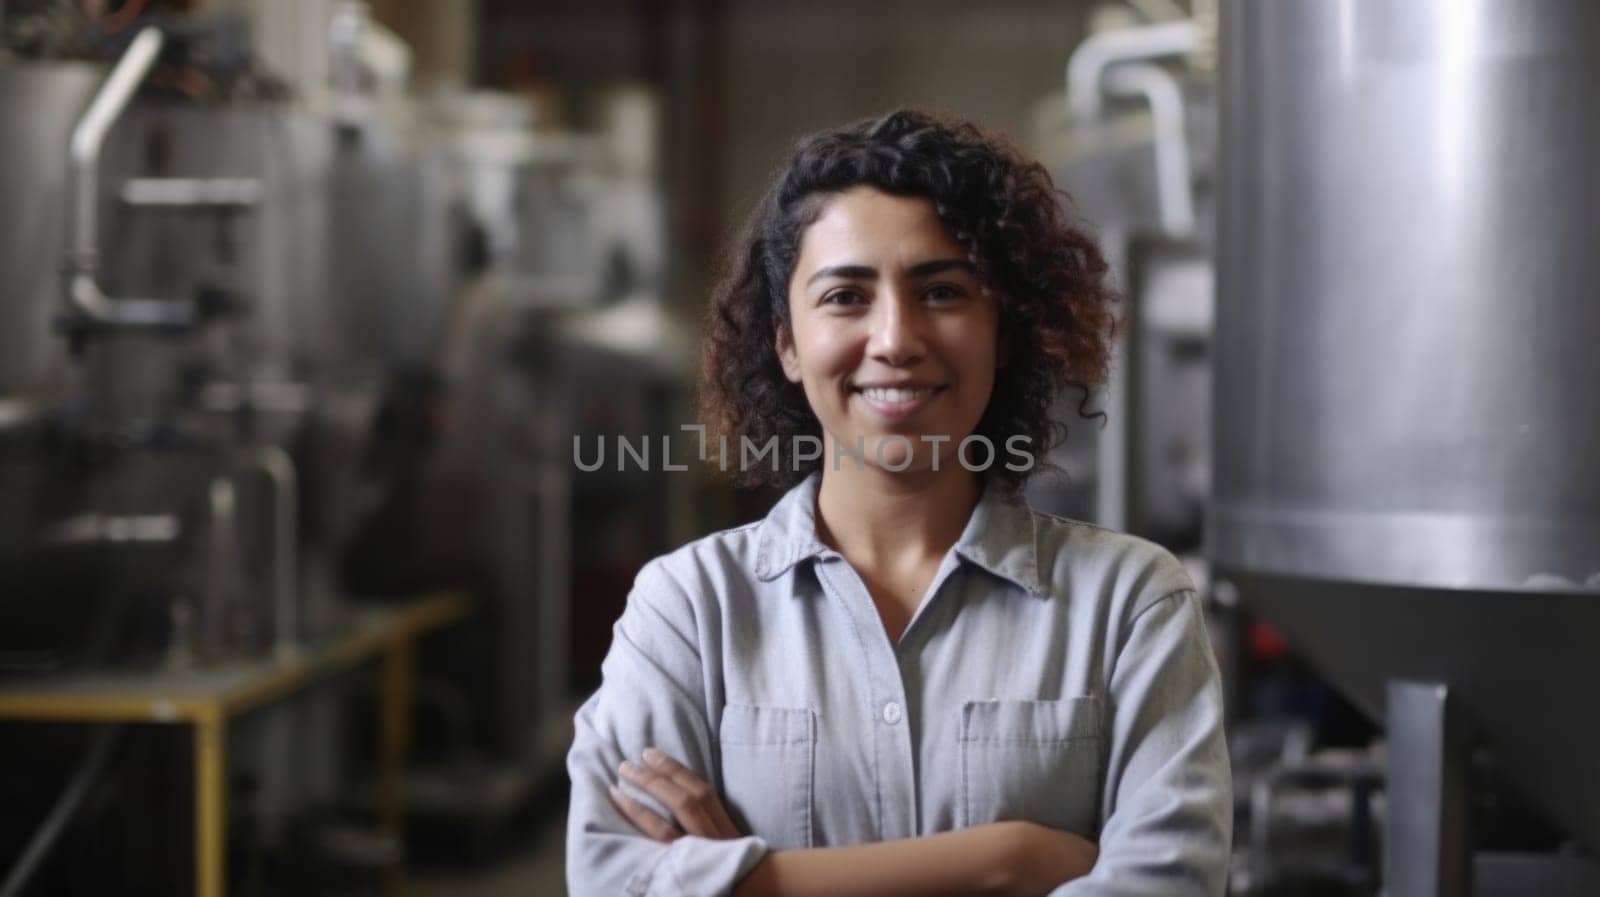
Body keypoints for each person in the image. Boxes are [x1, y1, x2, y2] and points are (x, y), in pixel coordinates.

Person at [565, 109, 1231, 897]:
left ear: (1002, 332)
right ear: (787, 343)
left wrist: (746, 882)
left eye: (942, 290)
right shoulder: (689, 609)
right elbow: (615, 880)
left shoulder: (1128, 605)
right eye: (846, 295)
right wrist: (1008, 860)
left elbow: (1169, 884)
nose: (896, 338)